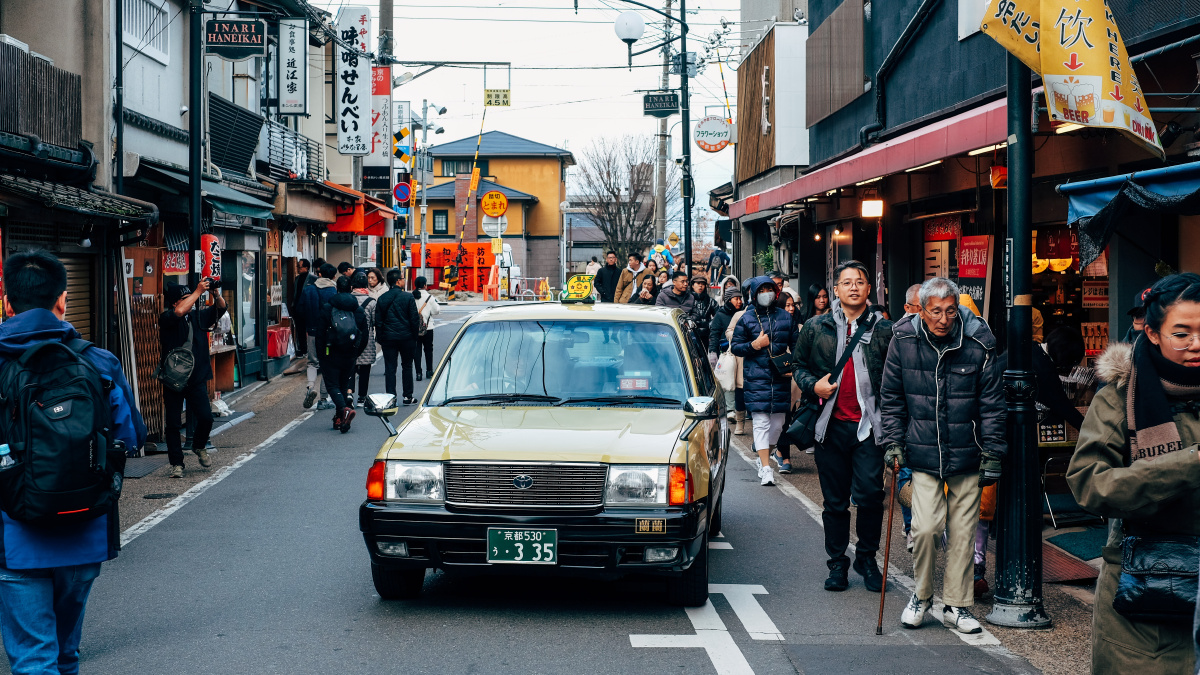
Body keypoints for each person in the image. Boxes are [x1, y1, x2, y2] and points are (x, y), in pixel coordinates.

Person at [0, 250, 144, 675]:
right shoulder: (98, 362)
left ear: (7, 302)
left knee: (33, 658)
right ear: (63, 300)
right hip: (86, 530)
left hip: (15, 535)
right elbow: (130, 436)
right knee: (66, 655)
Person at [1065, 273, 1200, 673]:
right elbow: (1089, 484)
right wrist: (1189, 464)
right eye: (1182, 333)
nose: (1197, 344)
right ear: (1153, 333)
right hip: (1146, 597)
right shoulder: (1121, 398)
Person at [879, 276, 1005, 635]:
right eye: (936, 312)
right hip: (922, 451)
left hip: (968, 451)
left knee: (964, 533)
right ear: (921, 310)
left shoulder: (979, 341)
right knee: (927, 528)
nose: (944, 319)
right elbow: (891, 397)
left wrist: (994, 451)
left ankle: (957, 605)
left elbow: (993, 405)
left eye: (951, 311)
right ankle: (921, 596)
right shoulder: (903, 339)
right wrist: (892, 442)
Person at [792, 261, 893, 592]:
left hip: (868, 427)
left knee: (870, 496)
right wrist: (813, 386)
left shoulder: (883, 329)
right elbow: (798, 365)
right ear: (835, 290)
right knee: (834, 502)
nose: (853, 287)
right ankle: (837, 563)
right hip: (829, 425)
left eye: (860, 282)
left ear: (868, 289)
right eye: (846, 282)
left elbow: (895, 378)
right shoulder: (815, 326)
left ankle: (867, 557)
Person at [731, 276, 797, 487]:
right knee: (760, 423)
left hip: (780, 377)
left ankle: (763, 456)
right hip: (756, 378)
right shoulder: (746, 318)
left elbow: (797, 344)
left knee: (777, 425)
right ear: (754, 294)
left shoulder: (786, 317)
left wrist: (794, 365)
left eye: (770, 289)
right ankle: (766, 468)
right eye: (762, 290)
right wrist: (755, 345)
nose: (766, 293)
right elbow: (736, 347)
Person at [159, 279, 227, 477]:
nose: (189, 301)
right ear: (174, 303)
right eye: (184, 299)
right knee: (172, 424)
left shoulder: (197, 316)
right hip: (173, 378)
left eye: (190, 298)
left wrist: (215, 293)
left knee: (206, 417)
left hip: (196, 377)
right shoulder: (167, 318)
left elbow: (220, 308)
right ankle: (177, 464)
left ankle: (198, 445)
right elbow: (180, 311)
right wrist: (197, 292)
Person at [316, 275, 368, 431]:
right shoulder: (358, 310)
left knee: (332, 385)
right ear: (351, 288)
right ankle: (340, 420)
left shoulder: (327, 308)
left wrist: (321, 354)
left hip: (330, 352)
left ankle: (344, 409)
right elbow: (364, 335)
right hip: (350, 354)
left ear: (336, 288)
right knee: (344, 386)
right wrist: (356, 353)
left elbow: (320, 335)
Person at [375, 268, 422, 405]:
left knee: (390, 368)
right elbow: (414, 320)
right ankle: (408, 396)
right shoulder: (407, 297)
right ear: (398, 281)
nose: (404, 280)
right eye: (402, 278)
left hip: (389, 338)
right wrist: (414, 337)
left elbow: (378, 321)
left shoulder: (382, 298)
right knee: (407, 366)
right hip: (406, 338)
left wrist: (381, 338)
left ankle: (391, 398)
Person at [298, 264, 338, 410]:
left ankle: (310, 386)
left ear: (320, 274)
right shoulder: (333, 290)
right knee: (327, 364)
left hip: (312, 332)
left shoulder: (309, 289)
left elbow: (300, 310)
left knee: (312, 362)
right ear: (334, 276)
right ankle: (323, 398)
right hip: (328, 335)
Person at [773, 290, 804, 474]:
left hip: (798, 377)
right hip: (780, 376)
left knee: (793, 416)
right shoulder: (774, 325)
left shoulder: (800, 326)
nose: (791, 309)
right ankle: (785, 456)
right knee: (783, 418)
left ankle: (779, 449)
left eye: (793, 305)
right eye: (787, 305)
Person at [710, 285, 745, 431]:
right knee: (729, 381)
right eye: (736, 299)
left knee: (738, 383)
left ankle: (736, 411)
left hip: (741, 352)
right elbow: (715, 333)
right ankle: (730, 410)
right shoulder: (720, 314)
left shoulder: (744, 313)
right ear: (728, 300)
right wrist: (713, 352)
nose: (739, 301)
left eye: (740, 298)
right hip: (727, 353)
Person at [350, 272, 378, 408]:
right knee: (365, 369)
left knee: (350, 366)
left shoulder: (347, 299)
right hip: (366, 340)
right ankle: (362, 397)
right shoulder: (371, 301)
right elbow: (374, 322)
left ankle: (349, 394)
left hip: (349, 339)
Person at [413, 276, 441, 381]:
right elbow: (436, 311)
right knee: (428, 350)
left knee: (417, 351)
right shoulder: (430, 298)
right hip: (428, 327)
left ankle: (418, 373)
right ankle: (429, 371)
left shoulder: (412, 296)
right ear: (425, 285)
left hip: (415, 328)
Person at [290, 258, 315, 352]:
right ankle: (302, 348)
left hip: (308, 308)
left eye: (299, 267)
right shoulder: (297, 278)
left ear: (306, 267)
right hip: (298, 307)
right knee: (300, 329)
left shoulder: (313, 279)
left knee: (309, 329)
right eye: (297, 266)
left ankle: (310, 349)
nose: (298, 269)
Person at [690, 277, 717, 349]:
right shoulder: (687, 300)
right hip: (691, 333)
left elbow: (718, 316)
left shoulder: (711, 301)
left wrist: (709, 324)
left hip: (706, 334)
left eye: (703, 284)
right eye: (698, 283)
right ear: (692, 285)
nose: (700, 286)